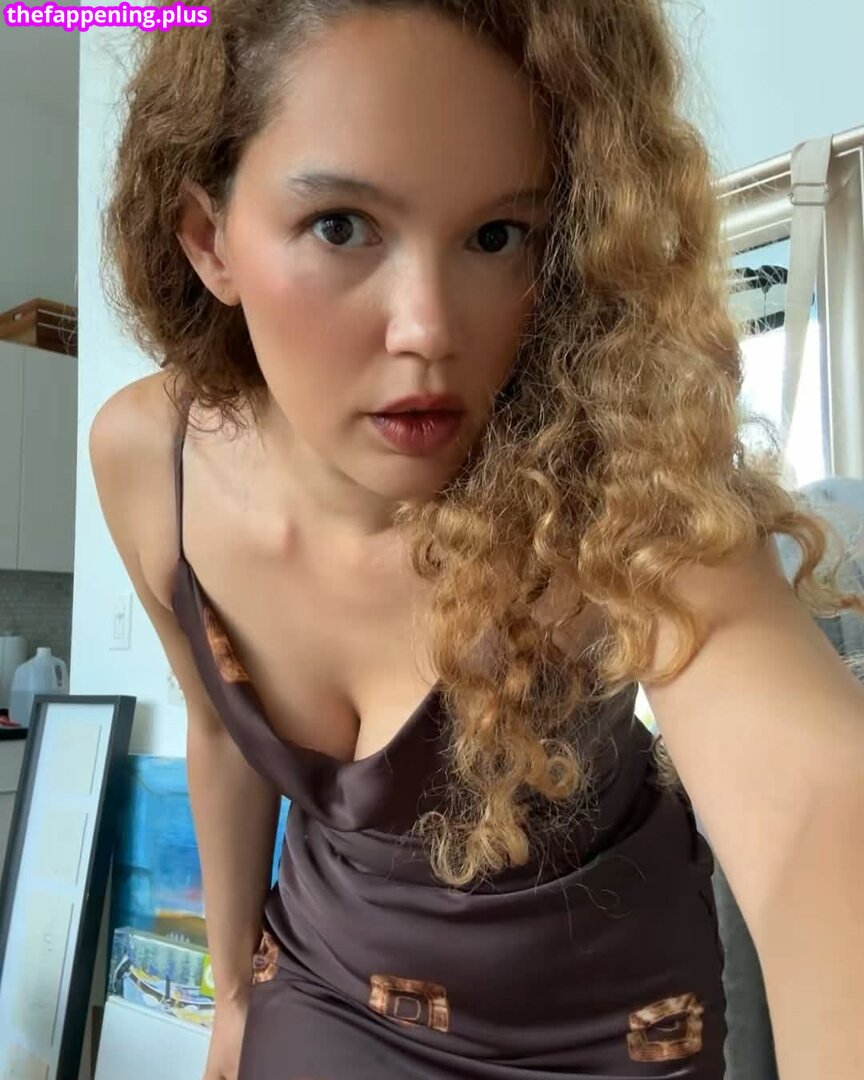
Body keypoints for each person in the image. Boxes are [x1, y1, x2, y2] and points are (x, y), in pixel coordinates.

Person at [89, 2, 864, 1078]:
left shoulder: (615, 473)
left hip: (609, 1018)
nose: (430, 328)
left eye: (498, 237)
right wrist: (228, 997)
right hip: (324, 975)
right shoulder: (150, 464)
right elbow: (219, 734)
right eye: (342, 226)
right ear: (209, 238)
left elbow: (821, 804)